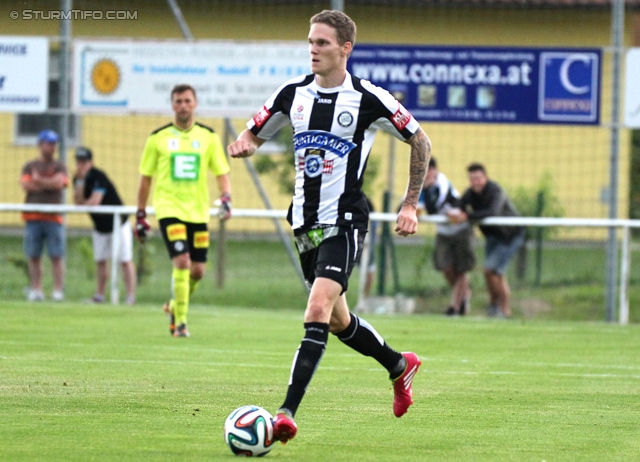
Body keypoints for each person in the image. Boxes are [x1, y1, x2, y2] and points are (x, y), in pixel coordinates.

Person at [227, 10, 431, 444]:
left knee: (317, 310)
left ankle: (285, 413)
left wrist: (410, 204)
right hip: (304, 222)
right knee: (337, 321)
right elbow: (254, 132)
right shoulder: (292, 94)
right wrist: (244, 143)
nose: (313, 50)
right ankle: (400, 365)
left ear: (345, 49)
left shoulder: (368, 97)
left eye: (322, 43)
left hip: (345, 219)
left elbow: (420, 138)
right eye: (310, 42)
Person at [135, 83, 232, 338]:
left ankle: (174, 306)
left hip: (198, 211)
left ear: (195, 104)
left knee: (198, 271)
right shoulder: (158, 138)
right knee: (182, 262)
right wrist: (141, 214)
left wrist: (226, 197)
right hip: (169, 209)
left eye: (187, 101)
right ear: (172, 105)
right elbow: (146, 178)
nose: (183, 106)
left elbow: (221, 172)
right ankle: (181, 324)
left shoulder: (208, 137)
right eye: (178, 101)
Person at [447, 162, 525, 318]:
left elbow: (492, 212)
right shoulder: (471, 193)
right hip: (493, 236)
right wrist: (452, 209)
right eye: (472, 179)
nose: (475, 182)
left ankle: (500, 308)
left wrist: (467, 216)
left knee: (491, 270)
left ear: (485, 178)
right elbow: (460, 204)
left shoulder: (496, 191)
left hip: (510, 235)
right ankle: (499, 308)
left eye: (478, 178)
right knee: (495, 273)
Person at [72, 146, 136, 305]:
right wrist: (80, 182)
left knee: (125, 260)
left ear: (91, 162)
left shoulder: (98, 176)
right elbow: (77, 201)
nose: (81, 165)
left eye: (84, 162)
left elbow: (95, 202)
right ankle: (99, 295)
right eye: (79, 161)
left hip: (118, 223)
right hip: (100, 226)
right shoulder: (78, 179)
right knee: (101, 260)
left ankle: (130, 296)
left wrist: (84, 204)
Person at [418, 157, 475, 316]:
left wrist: (425, 192)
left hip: (460, 229)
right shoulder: (420, 185)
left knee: (462, 268)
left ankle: (455, 307)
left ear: (435, 170)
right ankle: (464, 294)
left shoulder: (442, 183)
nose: (426, 174)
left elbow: (435, 207)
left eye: (428, 170)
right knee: (446, 267)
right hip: (444, 231)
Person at [19, 129, 69, 302]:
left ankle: (57, 291)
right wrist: (48, 182)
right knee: (34, 255)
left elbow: (60, 184)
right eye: (49, 143)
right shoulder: (29, 166)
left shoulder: (60, 166)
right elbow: (26, 186)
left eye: (54, 143)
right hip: (33, 217)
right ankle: (36, 289)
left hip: (53, 217)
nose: (52, 147)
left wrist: (39, 180)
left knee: (56, 255)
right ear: (40, 145)